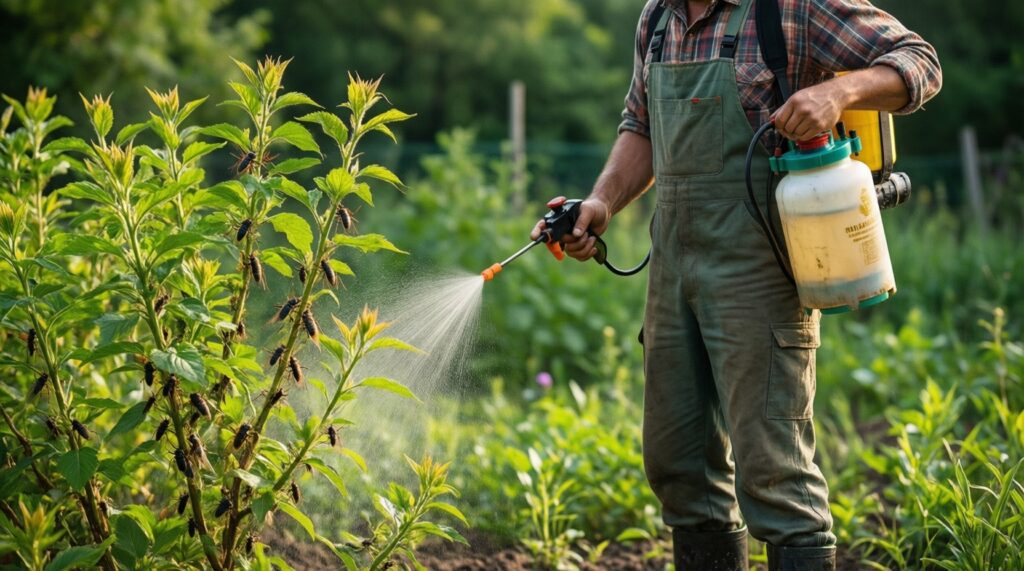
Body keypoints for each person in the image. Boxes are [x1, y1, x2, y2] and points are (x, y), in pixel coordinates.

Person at [530, 0, 941, 569]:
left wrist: (839, 93)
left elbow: (920, 62)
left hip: (760, 268)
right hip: (673, 271)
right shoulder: (657, 18)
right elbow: (640, 127)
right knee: (679, 468)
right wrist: (601, 202)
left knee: (775, 474)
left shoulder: (790, 8)